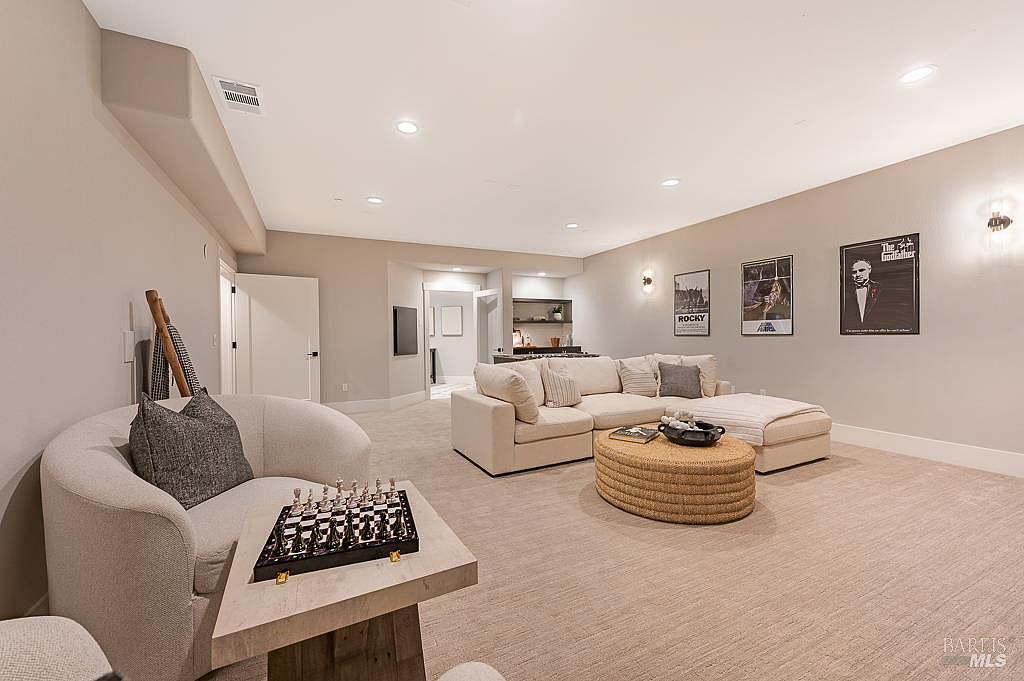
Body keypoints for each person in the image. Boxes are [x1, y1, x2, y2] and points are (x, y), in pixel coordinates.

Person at [842, 258, 885, 330]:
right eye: (854, 272)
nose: (858, 274)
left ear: (869, 270)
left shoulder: (880, 288)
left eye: (861, 270)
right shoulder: (844, 290)